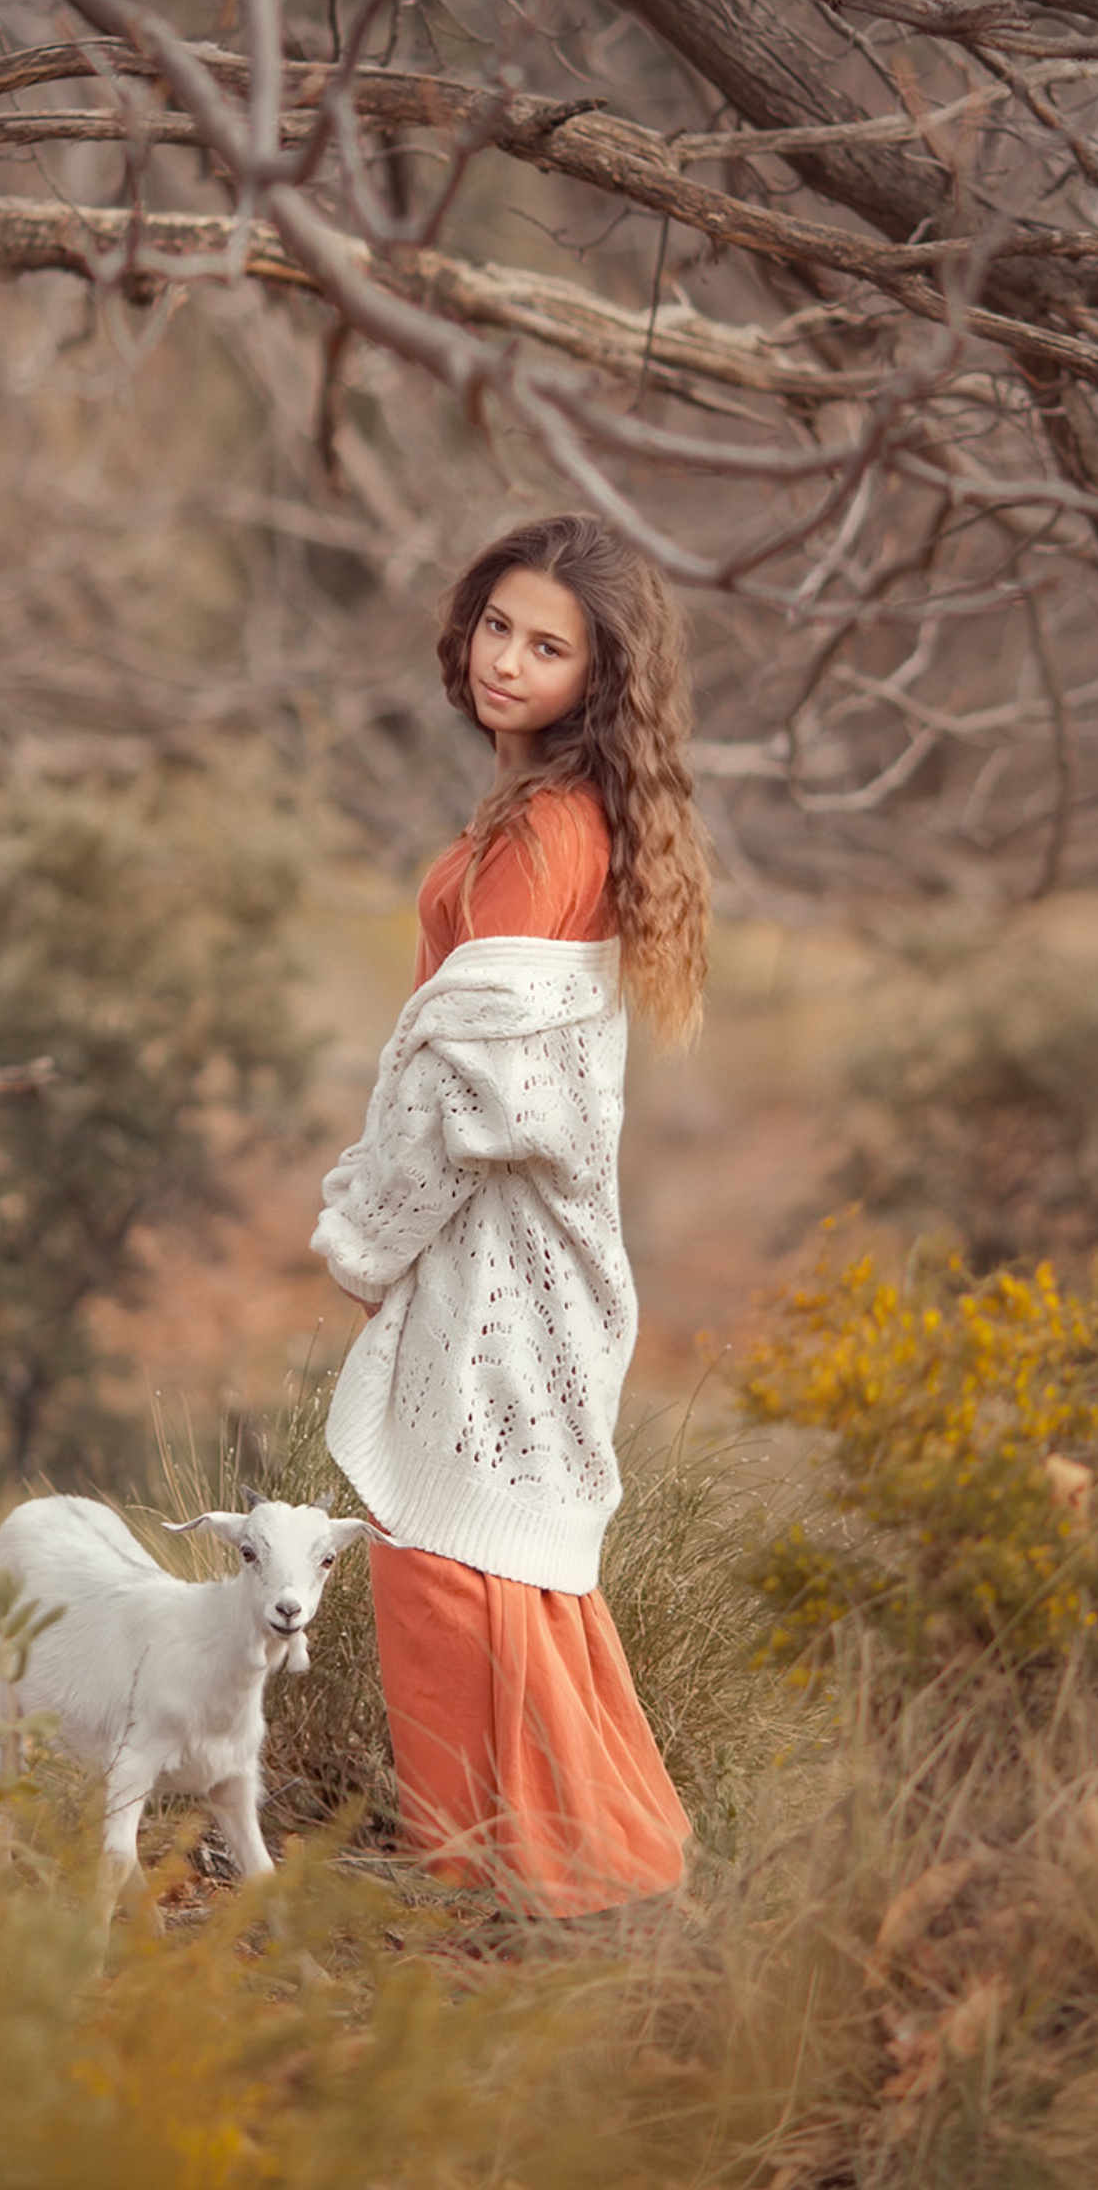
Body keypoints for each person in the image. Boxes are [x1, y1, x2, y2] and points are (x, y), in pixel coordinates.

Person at [310, 511, 711, 1921]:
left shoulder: (546, 831)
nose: (508, 661)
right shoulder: (557, 814)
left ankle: (527, 1896)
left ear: (596, 679)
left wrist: (365, 1240)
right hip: (514, 1260)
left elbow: (477, 1100)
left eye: (549, 647)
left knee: (452, 1565)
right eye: (498, 627)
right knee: (502, 1567)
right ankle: (596, 1880)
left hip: (495, 1266)